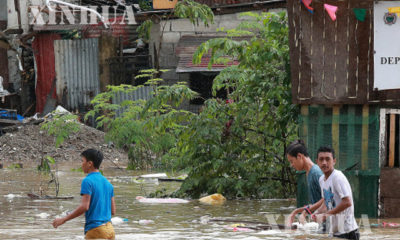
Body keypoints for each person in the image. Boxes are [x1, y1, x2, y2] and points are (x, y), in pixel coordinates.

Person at [52, 149, 116, 240]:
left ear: (89, 163)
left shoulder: (87, 181)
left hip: (96, 230)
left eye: (82, 161)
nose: (81, 164)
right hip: (110, 230)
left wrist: (63, 219)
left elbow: (84, 207)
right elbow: (112, 211)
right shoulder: (108, 183)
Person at [306, 146, 359, 240]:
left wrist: (326, 215)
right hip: (335, 231)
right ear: (317, 162)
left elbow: (347, 202)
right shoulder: (322, 179)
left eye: (327, 159)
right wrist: (317, 213)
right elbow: (326, 203)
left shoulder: (337, 177)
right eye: (321, 159)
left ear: (334, 161)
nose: (324, 163)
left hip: (348, 231)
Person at [285, 140, 323, 226]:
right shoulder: (309, 173)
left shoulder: (316, 173)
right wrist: (296, 211)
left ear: (299, 156)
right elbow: (317, 202)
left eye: (291, 161)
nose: (292, 165)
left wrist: (305, 212)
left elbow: (327, 199)